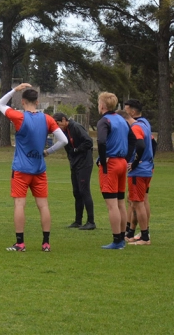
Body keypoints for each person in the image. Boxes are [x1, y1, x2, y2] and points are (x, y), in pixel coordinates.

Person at [0, 84, 67, 252]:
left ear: (23, 102)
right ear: (37, 102)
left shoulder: (19, 117)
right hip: (39, 169)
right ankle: (46, 243)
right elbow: (64, 140)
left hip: (21, 169)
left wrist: (14, 89)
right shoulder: (48, 119)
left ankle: (20, 243)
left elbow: (0, 104)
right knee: (43, 205)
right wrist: (47, 152)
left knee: (20, 205)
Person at [96, 92, 135, 250]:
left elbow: (101, 140)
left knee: (111, 205)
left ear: (103, 105)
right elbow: (133, 140)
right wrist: (126, 157)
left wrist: (103, 158)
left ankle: (117, 240)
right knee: (120, 203)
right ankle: (122, 238)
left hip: (111, 164)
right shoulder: (121, 119)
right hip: (122, 163)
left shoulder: (104, 121)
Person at [52, 113, 96, 230]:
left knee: (84, 190)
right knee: (76, 192)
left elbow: (88, 142)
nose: (57, 126)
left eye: (58, 123)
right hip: (75, 164)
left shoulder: (75, 127)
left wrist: (76, 150)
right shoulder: (63, 131)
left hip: (84, 163)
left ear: (64, 120)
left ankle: (91, 221)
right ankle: (78, 221)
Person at [122, 99, 153, 246]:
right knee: (140, 200)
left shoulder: (135, 127)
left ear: (132, 112)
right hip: (147, 168)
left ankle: (145, 237)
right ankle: (134, 232)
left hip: (139, 171)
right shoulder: (145, 123)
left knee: (137, 202)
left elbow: (140, 145)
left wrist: (134, 163)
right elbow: (154, 143)